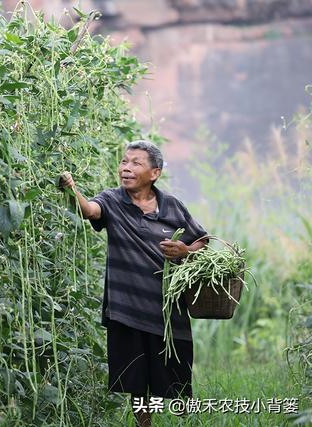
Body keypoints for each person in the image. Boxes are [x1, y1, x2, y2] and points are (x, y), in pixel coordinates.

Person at [59, 140, 208, 427]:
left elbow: (201, 239)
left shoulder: (173, 207)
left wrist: (185, 250)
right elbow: (90, 210)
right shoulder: (112, 201)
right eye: (124, 162)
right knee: (136, 381)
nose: (125, 168)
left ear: (155, 173)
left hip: (168, 312)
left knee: (176, 380)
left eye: (135, 163)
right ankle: (144, 425)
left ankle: (186, 422)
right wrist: (71, 188)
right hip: (127, 311)